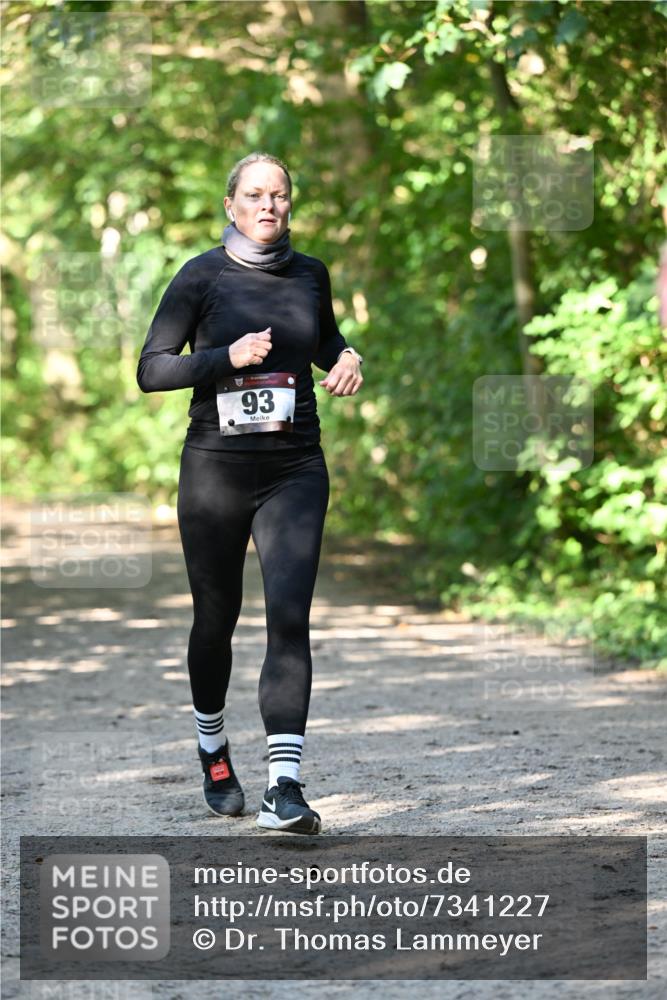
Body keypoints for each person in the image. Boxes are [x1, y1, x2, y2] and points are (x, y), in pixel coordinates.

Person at [136, 152, 363, 834]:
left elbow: (324, 340)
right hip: (216, 470)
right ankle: (212, 750)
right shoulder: (200, 275)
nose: (269, 205)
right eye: (256, 195)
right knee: (217, 618)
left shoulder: (310, 274)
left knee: (289, 618)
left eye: (280, 195)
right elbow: (151, 370)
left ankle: (283, 787)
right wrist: (224, 359)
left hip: (295, 469)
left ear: (290, 204)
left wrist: (347, 357)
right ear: (231, 205)